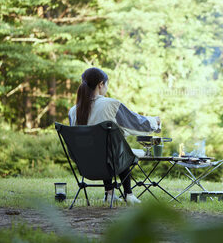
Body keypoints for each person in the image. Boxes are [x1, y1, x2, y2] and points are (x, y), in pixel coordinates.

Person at [68, 67, 161, 205]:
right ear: (101, 84)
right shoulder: (110, 104)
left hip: (86, 164)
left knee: (107, 145)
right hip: (110, 161)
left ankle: (109, 193)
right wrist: (155, 121)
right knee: (117, 147)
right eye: (106, 84)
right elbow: (135, 122)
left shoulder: (73, 111)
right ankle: (128, 194)